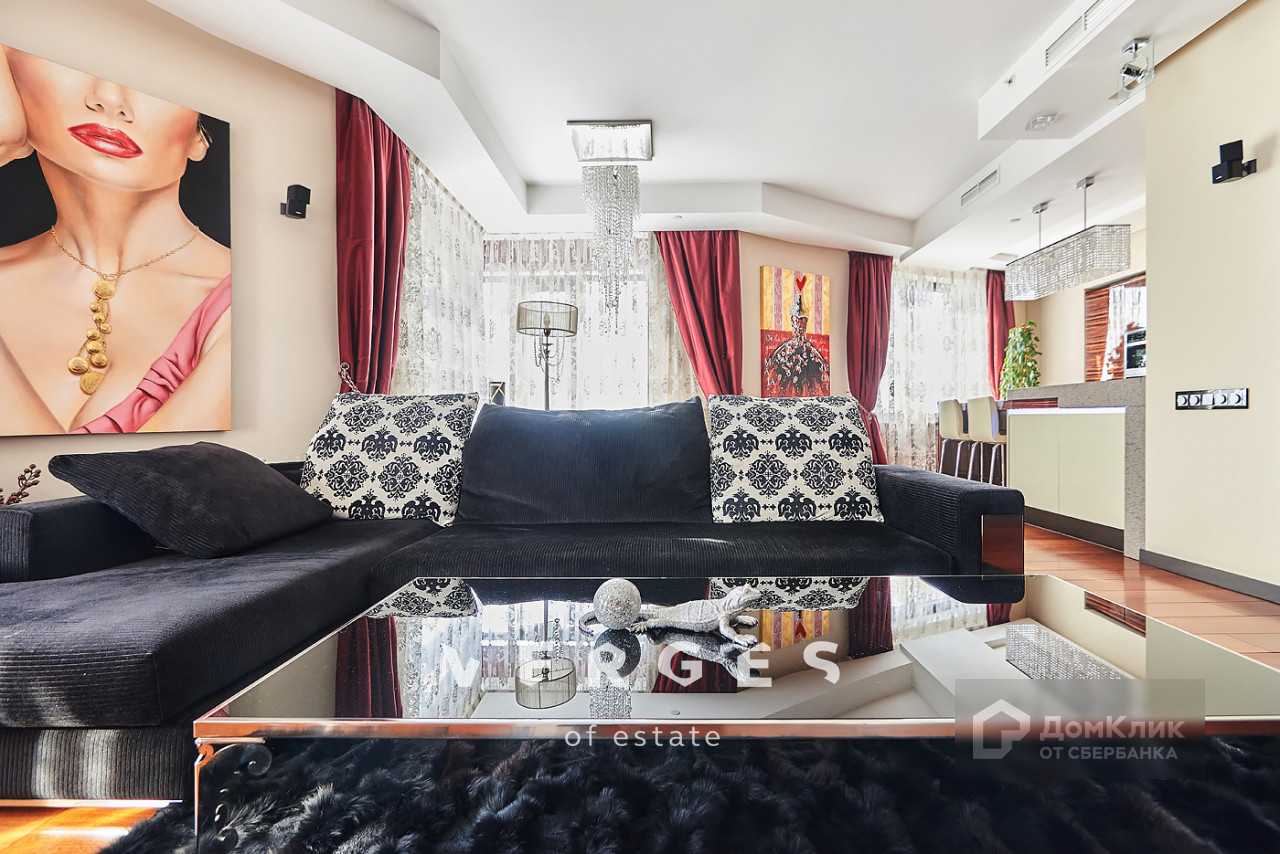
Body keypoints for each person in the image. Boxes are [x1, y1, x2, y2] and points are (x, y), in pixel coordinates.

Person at [0, 46, 230, 435]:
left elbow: (154, 476)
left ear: (199, 137)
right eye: (68, 61)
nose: (109, 100)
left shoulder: (246, 305)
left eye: (156, 82)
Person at [763, 278, 829, 397]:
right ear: (792, 321)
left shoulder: (811, 352)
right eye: (797, 321)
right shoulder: (783, 351)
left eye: (803, 322)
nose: (800, 325)